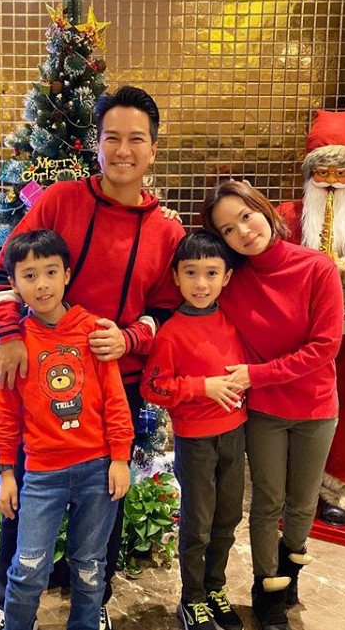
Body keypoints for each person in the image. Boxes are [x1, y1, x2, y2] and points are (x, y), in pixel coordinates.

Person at [0, 85, 185, 630]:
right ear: (96, 144)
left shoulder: (167, 231)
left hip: (116, 381)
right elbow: (4, 271)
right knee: (25, 495)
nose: (123, 150)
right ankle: (7, 604)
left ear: (153, 148)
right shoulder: (60, 201)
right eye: (111, 137)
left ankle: (95, 606)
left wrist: (129, 339)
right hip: (39, 372)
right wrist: (10, 335)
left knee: (107, 500)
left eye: (135, 139)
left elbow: (167, 309)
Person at [201, 180, 344, 630]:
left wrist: (257, 374)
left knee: (301, 504)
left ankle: (289, 574)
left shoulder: (317, 267)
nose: (243, 232)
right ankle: (267, 590)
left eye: (246, 216)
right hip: (264, 411)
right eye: (228, 230)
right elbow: (188, 284)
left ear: (263, 209)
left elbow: (325, 346)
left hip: (315, 407)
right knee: (267, 502)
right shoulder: (232, 281)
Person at [0, 229, 134, 630]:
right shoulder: (14, 345)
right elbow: (5, 412)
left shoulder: (93, 331)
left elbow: (114, 398)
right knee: (28, 567)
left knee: (90, 567)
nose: (42, 285)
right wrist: (7, 472)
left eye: (51, 272)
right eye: (30, 275)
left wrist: (120, 458)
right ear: (15, 284)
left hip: (97, 470)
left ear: (67, 275)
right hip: (42, 475)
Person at [141, 230, 247, 630]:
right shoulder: (171, 333)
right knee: (198, 524)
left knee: (228, 518)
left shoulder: (233, 321)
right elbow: (152, 387)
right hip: (196, 440)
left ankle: (215, 588)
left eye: (211, 273)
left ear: (227, 277)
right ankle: (193, 597)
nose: (201, 283)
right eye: (190, 272)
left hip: (235, 434)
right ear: (176, 277)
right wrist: (202, 387)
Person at [276, 109, 345, 528]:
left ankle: (339, 485)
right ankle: (297, 485)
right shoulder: (289, 216)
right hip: (301, 338)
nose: (333, 182)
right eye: (323, 173)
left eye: (343, 174)